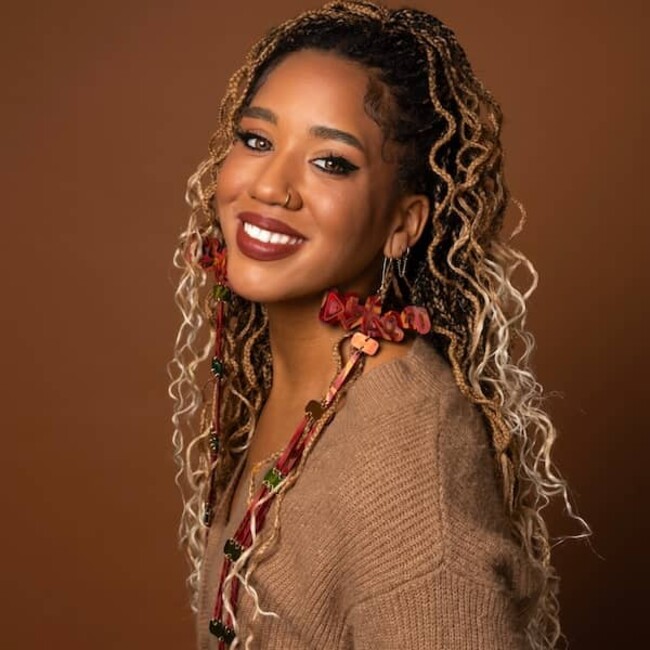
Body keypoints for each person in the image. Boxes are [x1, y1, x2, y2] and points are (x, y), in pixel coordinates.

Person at [169, 1, 586, 648]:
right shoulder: (292, 382)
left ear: (403, 224)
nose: (272, 187)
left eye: (330, 162)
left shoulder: (409, 444)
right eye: (257, 140)